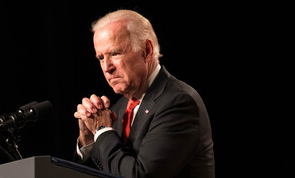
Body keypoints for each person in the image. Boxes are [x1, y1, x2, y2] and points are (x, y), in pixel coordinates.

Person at [74, 9, 215, 178]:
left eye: (115, 54)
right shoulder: (118, 109)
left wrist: (102, 130)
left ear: (146, 50)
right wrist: (90, 140)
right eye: (101, 58)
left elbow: (140, 175)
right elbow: (107, 169)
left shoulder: (179, 102)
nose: (107, 68)